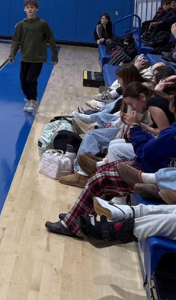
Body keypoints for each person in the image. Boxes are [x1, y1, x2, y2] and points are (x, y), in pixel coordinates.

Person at [45, 86, 175, 238]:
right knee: (101, 172)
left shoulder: (168, 127)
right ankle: (77, 217)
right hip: (156, 167)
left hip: (153, 169)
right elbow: (154, 146)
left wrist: (135, 128)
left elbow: (146, 153)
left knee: (100, 178)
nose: (168, 99)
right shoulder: (171, 129)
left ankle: (73, 225)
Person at [7, 0, 58, 112]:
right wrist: (12, 55)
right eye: (27, 7)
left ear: (37, 9)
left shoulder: (42, 24)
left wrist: (55, 55)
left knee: (31, 80)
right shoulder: (21, 25)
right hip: (25, 57)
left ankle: (33, 99)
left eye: (32, 7)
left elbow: (50, 39)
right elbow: (16, 41)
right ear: (24, 9)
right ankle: (29, 98)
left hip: (38, 58)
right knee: (23, 81)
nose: (30, 9)